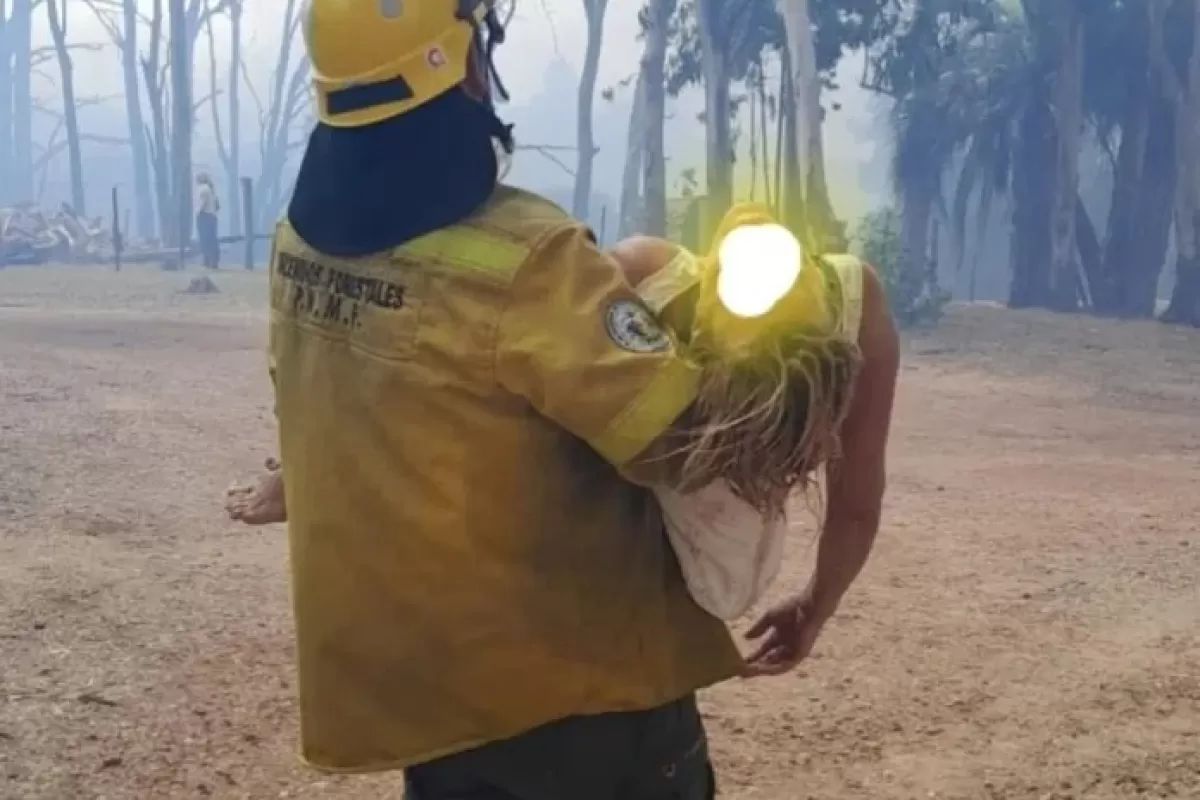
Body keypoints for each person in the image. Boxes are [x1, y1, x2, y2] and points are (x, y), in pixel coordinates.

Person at [225, 2, 899, 798]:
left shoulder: (297, 249)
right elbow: (682, 443)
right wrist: (793, 371)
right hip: (593, 716)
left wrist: (294, 478)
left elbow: (317, 400)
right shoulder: (529, 260)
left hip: (436, 716)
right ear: (470, 68)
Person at [195, 173, 220, 269]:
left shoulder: (203, 189)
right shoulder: (211, 190)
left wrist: (198, 212)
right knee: (212, 239)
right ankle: (214, 260)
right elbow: (217, 206)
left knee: (205, 239)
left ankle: (207, 260)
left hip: (205, 216)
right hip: (212, 216)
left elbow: (202, 203)